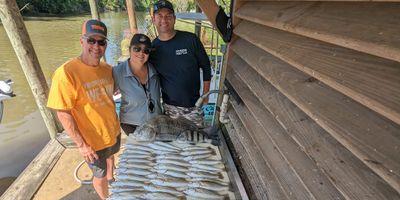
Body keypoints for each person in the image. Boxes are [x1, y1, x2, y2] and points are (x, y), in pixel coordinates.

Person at [47, 19, 120, 200]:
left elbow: (115, 92)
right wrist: (82, 145)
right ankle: (106, 197)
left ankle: (112, 178)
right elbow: (63, 113)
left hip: (111, 132)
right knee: (99, 175)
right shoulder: (65, 73)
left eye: (101, 42)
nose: (96, 46)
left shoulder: (108, 69)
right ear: (82, 41)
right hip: (91, 142)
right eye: (91, 40)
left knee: (111, 157)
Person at [150, 0, 212, 127]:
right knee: (175, 144)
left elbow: (206, 66)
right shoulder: (152, 49)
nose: (164, 20)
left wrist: (205, 95)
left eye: (168, 16)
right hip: (169, 109)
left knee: (196, 141)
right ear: (153, 20)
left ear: (174, 19)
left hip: (194, 106)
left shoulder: (190, 40)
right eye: (160, 16)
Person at [113, 33, 162, 135]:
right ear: (130, 49)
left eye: (146, 50)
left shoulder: (155, 70)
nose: (141, 53)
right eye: (137, 49)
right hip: (131, 125)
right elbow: (105, 97)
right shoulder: (117, 72)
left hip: (156, 123)